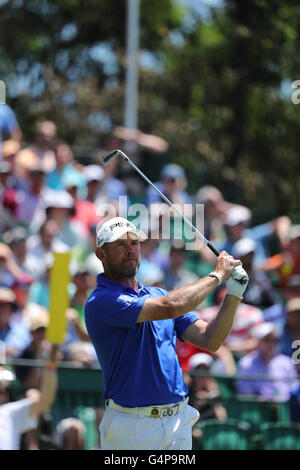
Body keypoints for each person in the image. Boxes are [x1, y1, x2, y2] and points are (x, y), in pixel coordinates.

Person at [84, 216, 249, 450]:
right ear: (101, 254)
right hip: (132, 427)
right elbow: (171, 306)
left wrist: (234, 293)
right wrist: (217, 276)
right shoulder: (100, 301)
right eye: (120, 244)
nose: (130, 249)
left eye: (134, 243)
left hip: (178, 420)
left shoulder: (158, 293)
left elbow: (210, 340)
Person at [0, 343, 59, 450]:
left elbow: (45, 399)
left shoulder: (8, 412)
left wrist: (50, 365)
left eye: (2, 391)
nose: (3, 391)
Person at [237, 322, 298, 402]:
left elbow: (294, 388)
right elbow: (245, 393)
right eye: (267, 340)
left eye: (275, 340)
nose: (272, 344)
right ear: (259, 341)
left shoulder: (286, 362)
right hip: (258, 409)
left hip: (286, 409)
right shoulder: (246, 363)